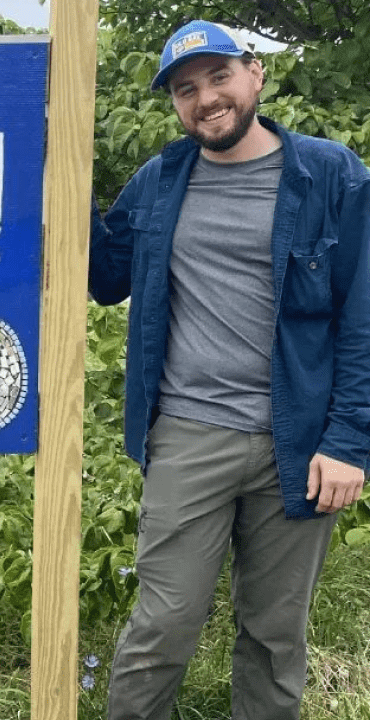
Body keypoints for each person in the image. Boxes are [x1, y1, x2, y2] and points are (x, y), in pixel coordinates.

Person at [89, 19, 370, 720]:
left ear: (255, 75)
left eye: (218, 78)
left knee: (275, 635)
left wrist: (347, 441)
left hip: (299, 440)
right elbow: (103, 277)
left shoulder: (332, 174)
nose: (205, 99)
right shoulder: (157, 181)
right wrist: (55, 174)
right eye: (186, 89)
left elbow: (362, 316)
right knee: (163, 625)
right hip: (188, 434)